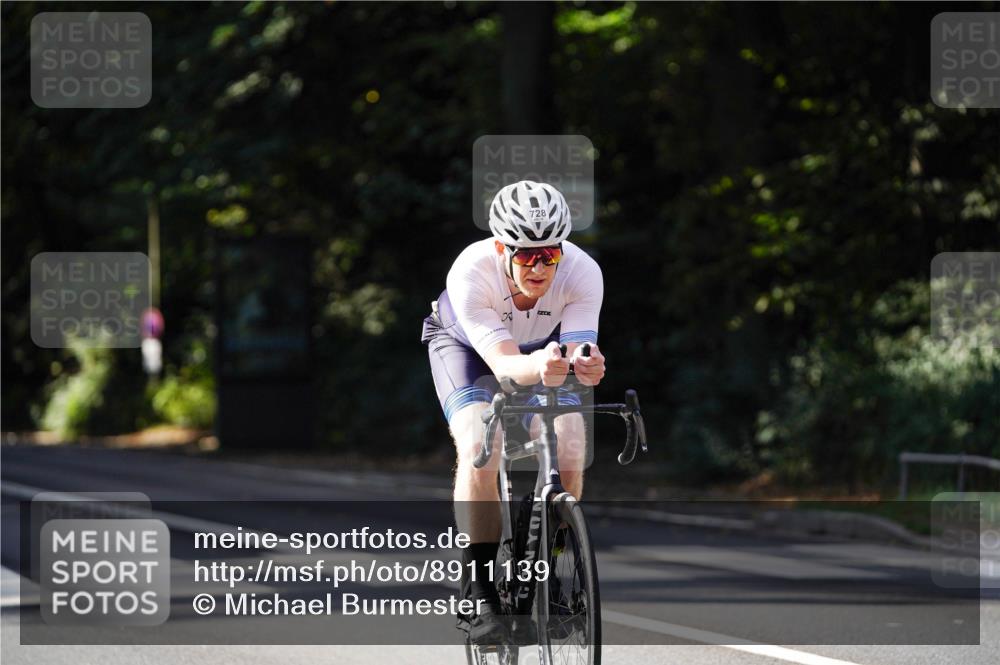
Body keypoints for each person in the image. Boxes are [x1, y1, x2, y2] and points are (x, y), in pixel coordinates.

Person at [420, 180, 606, 644]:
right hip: (465, 349)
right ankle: (478, 590)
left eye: (550, 253)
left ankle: (555, 564)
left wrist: (587, 365)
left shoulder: (583, 271)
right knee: (481, 443)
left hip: (539, 354)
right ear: (502, 247)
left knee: (571, 443)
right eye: (526, 255)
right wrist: (544, 361)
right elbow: (503, 365)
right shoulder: (470, 272)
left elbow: (578, 349)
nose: (540, 266)